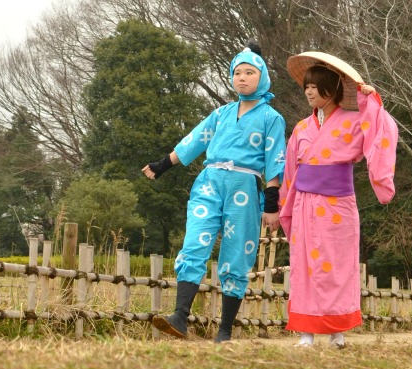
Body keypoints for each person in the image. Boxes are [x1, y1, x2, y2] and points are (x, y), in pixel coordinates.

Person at [142, 40, 286, 343]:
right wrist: (161, 165)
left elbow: (275, 162)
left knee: (236, 255)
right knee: (194, 243)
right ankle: (180, 317)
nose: (242, 78)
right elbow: (194, 141)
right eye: (237, 73)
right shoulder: (220, 113)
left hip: (245, 187)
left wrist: (271, 205)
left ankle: (224, 331)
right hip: (209, 181)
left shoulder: (271, 118)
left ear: (262, 77)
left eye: (249, 72)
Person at [279, 52, 398, 347]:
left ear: (331, 89)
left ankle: (337, 331)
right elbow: (291, 171)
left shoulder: (354, 119)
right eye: (306, 86)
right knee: (304, 265)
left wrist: (371, 99)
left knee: (338, 265)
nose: (308, 92)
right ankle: (306, 332)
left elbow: (381, 128)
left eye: (315, 86)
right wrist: (284, 205)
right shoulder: (301, 128)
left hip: (338, 205)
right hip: (305, 203)